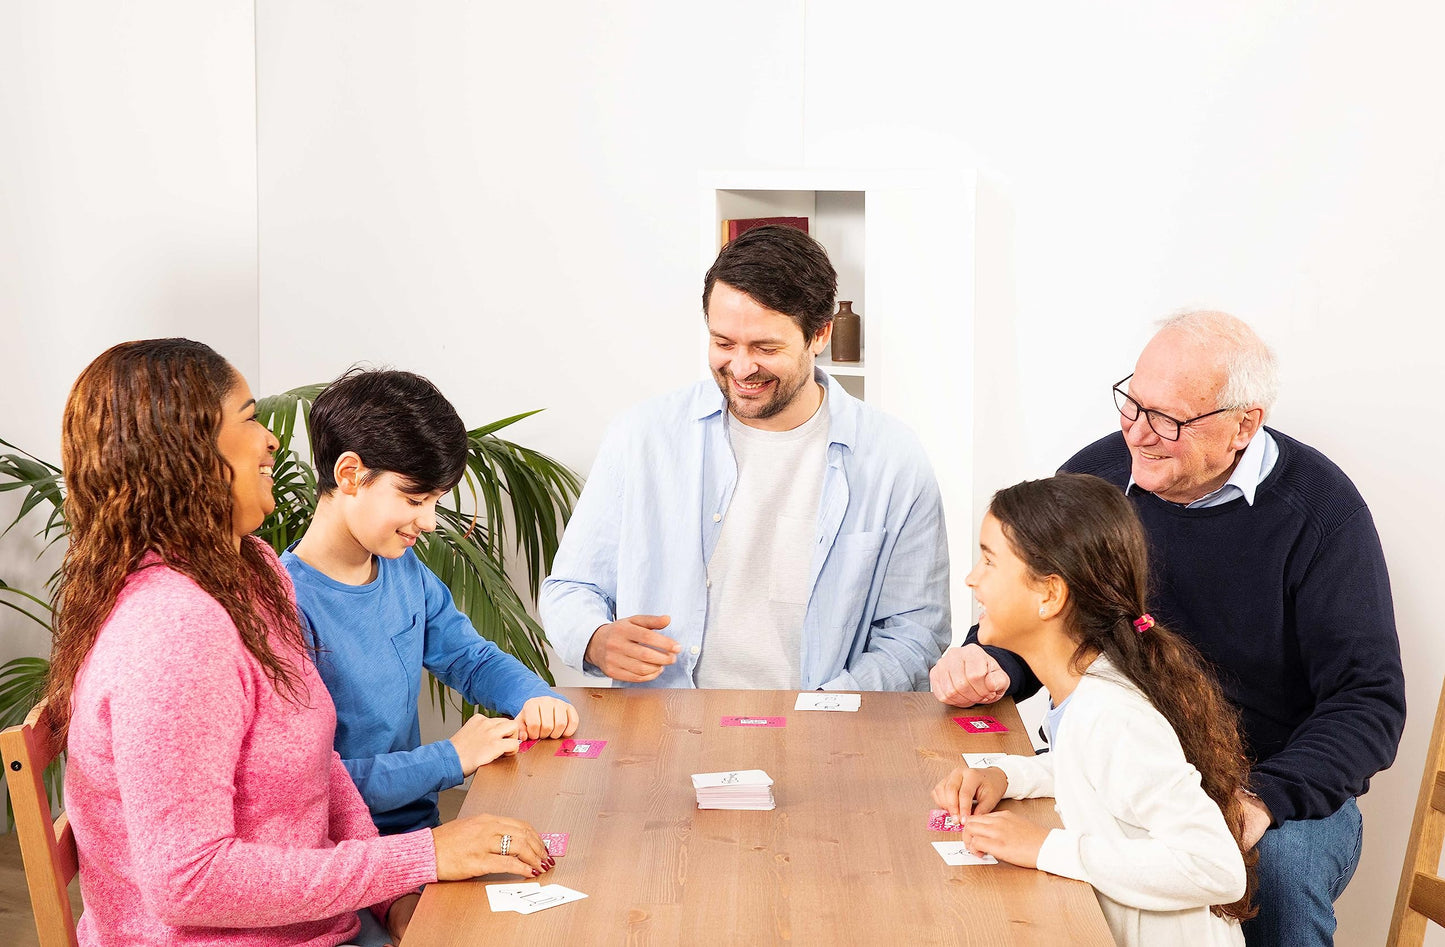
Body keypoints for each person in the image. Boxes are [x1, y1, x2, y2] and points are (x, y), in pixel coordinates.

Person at [49, 340, 553, 947]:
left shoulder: (251, 572)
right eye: (251, 418)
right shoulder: (172, 629)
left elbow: (324, 774)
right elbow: (188, 880)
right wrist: (420, 858)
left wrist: (395, 893)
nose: (272, 440)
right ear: (186, 452)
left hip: (323, 917)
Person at [929, 311, 1405, 946]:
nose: (1139, 433)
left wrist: (1260, 798)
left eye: (1171, 420)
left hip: (1273, 781)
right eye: (1133, 403)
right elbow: (1049, 593)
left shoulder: (1319, 512)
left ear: (1245, 423)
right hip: (1140, 764)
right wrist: (994, 662)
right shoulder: (1097, 476)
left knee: (1273, 873)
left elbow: (1367, 701)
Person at [540, 225, 950, 690]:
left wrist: (824, 711)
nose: (740, 368)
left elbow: (916, 635)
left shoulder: (893, 459)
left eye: (765, 348)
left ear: (820, 335)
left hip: (823, 739)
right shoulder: (642, 438)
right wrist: (595, 638)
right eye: (723, 343)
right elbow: (571, 588)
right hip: (667, 734)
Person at [932, 474, 1253, 947]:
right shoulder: (1086, 691)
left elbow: (1216, 868)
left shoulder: (1112, 715)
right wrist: (1009, 776)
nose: (972, 577)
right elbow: (1098, 775)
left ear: (1050, 595)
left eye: (989, 560)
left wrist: (1044, 846)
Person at [283, 368, 579, 837]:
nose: (431, 521)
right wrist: (453, 757)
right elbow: (313, 786)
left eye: (436, 500)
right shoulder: (284, 606)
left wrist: (535, 696)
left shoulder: (402, 568)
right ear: (350, 475)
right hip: (343, 855)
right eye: (416, 499)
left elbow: (469, 657)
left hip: (422, 832)